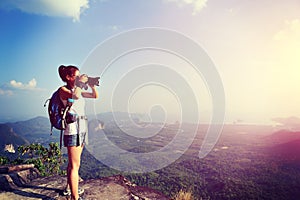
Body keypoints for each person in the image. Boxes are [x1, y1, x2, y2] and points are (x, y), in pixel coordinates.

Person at [58, 65, 98, 200]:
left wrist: (92, 84)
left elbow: (94, 96)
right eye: (77, 76)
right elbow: (75, 95)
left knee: (74, 164)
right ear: (68, 77)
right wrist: (81, 83)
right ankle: (75, 198)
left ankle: (69, 187)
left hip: (82, 127)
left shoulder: (78, 90)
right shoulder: (63, 90)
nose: (79, 78)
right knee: (75, 165)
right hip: (73, 128)